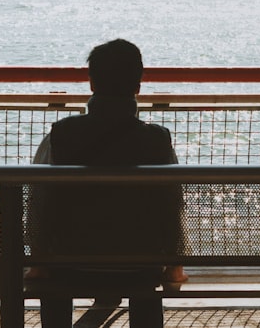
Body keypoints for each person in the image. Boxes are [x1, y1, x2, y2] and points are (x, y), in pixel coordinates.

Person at [28, 39, 186, 328]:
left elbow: (39, 201)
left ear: (92, 84)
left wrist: (39, 262)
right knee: (147, 280)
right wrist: (174, 265)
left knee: (52, 280)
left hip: (69, 266)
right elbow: (172, 203)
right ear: (138, 86)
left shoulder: (61, 135)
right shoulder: (157, 140)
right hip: (140, 268)